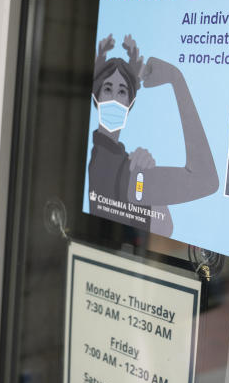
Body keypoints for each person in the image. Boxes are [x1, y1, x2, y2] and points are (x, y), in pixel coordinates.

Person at [87, 33, 218, 235]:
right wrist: (176, 79)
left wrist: (143, 180)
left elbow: (163, 226)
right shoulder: (118, 165)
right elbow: (206, 179)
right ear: (96, 97)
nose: (114, 98)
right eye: (107, 89)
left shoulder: (105, 156)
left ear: (130, 103)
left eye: (122, 92)